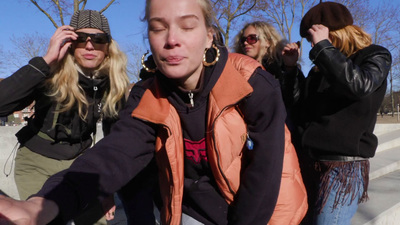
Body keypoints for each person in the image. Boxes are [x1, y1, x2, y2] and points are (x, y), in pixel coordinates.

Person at [0, 0, 305, 224]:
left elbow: (266, 174)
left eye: (187, 26)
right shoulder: (146, 94)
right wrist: (44, 205)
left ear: (210, 35)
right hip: (193, 211)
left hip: (267, 211)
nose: (172, 39)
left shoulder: (253, 84)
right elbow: (117, 152)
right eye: (158, 28)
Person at [0, 10, 130, 225]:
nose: (89, 46)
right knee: (43, 219)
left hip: (81, 163)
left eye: (98, 40)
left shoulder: (113, 83)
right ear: (69, 43)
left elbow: (114, 138)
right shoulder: (51, 73)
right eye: (80, 39)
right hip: (36, 161)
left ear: (108, 47)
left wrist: (107, 187)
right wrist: (45, 61)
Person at [289, 2, 392, 224]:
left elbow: (360, 86)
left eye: (313, 38)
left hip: (344, 168)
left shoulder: (375, 56)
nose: (311, 46)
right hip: (309, 163)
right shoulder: (322, 68)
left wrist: (325, 48)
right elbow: (301, 110)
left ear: (333, 33)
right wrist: (291, 71)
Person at [233, 21, 304, 130]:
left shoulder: (281, 68)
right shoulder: (238, 70)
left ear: (268, 42)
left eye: (252, 38)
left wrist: (290, 69)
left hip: (280, 132)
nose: (246, 43)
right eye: (243, 40)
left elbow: (293, 102)